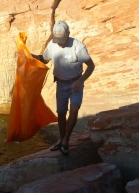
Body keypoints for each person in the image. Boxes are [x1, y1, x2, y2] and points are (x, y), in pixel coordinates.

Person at [32, 21, 95, 155]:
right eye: (57, 39)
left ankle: (66, 140)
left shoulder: (78, 47)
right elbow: (44, 60)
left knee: (74, 109)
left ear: (68, 35)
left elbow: (91, 66)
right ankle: (61, 139)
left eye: (62, 39)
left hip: (75, 83)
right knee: (61, 112)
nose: (59, 42)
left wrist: (81, 80)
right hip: (61, 83)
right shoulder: (52, 45)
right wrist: (28, 56)